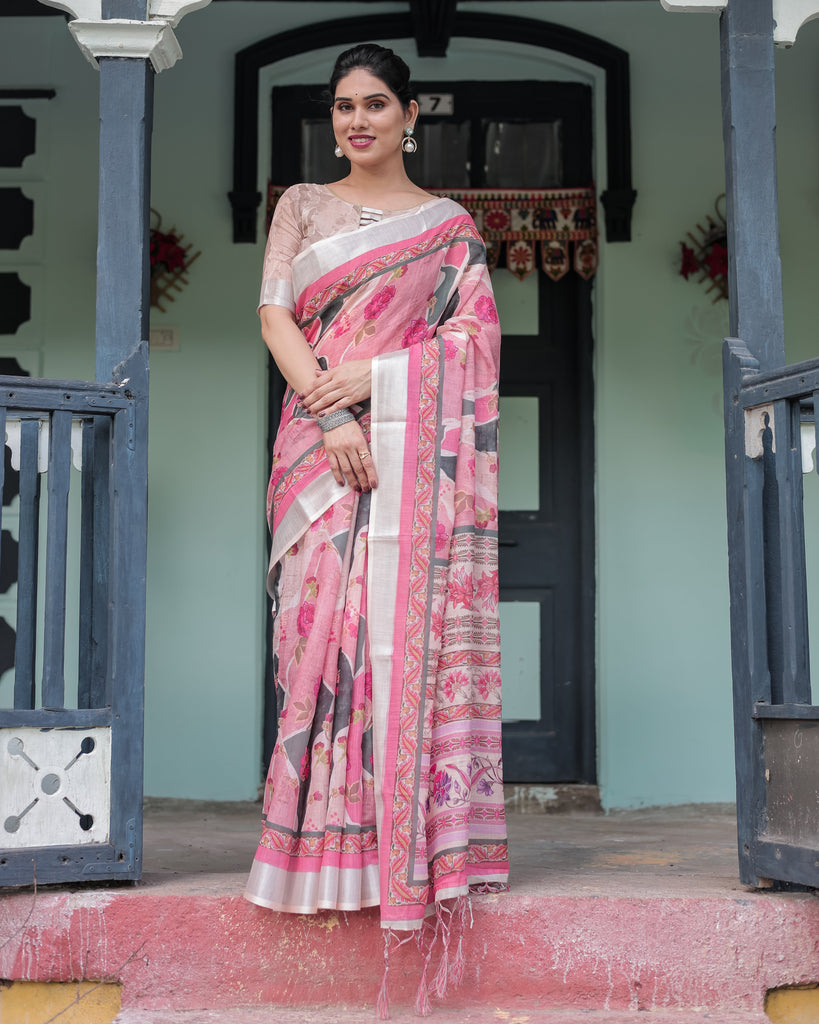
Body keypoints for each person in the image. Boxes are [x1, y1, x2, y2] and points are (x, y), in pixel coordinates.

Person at [244, 42, 508, 999]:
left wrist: (380, 379)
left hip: (406, 458)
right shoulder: (302, 206)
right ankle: (313, 842)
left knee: (393, 640)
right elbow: (275, 317)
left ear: (408, 117)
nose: (356, 120)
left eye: (374, 105)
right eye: (343, 106)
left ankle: (393, 839)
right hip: (317, 450)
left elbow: (475, 343)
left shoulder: (448, 230)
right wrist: (334, 410)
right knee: (311, 633)